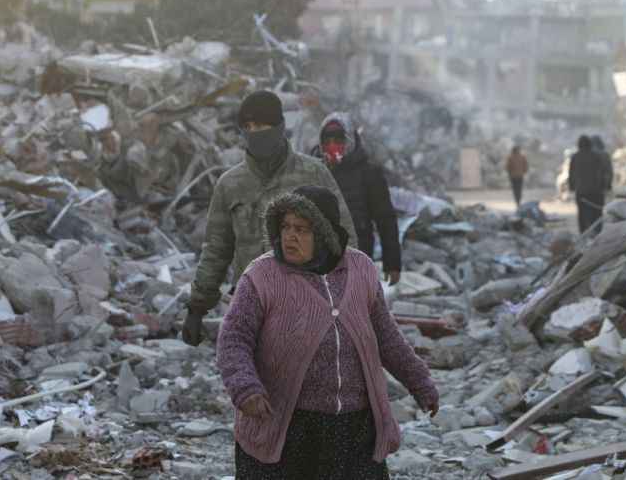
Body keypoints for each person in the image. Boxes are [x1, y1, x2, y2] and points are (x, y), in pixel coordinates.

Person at [217, 185, 439, 479]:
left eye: (302, 229)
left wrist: (421, 383)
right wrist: (245, 388)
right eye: (285, 226)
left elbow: (387, 337)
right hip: (286, 427)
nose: (289, 236)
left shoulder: (361, 269)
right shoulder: (262, 275)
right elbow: (233, 339)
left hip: (354, 430)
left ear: (325, 234)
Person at [181, 91, 356, 346]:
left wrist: (352, 298)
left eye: (261, 125)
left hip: (306, 304)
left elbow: (344, 239)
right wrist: (197, 308)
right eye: (248, 126)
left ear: (279, 126)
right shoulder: (230, 184)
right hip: (250, 305)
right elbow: (216, 250)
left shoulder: (313, 173)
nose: (254, 133)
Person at [311, 112, 402, 285]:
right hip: (318, 262)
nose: (332, 147)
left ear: (349, 141)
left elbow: (386, 220)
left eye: (338, 142)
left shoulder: (368, 174)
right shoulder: (313, 171)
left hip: (357, 258)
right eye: (327, 142)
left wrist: (392, 264)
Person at [569, 135, 607, 234]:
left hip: (580, 190)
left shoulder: (575, 157)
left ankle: (583, 233)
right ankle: (597, 232)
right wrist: (603, 186)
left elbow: (571, 174)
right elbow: (601, 173)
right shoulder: (595, 156)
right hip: (594, 190)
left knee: (582, 213)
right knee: (596, 212)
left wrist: (571, 186)